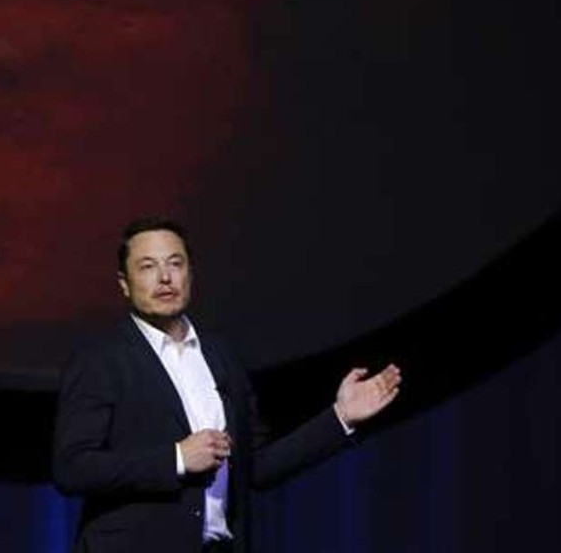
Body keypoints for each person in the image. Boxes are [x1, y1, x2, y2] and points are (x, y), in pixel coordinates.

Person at [52, 218, 401, 553]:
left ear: (190, 273)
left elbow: (258, 466)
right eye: (147, 266)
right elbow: (73, 468)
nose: (164, 277)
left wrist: (340, 417)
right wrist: (176, 458)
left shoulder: (220, 355)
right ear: (124, 283)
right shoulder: (100, 360)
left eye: (175, 263)